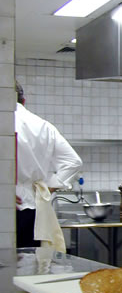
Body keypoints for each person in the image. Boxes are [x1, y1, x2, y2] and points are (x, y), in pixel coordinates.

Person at [15, 80, 83, 250]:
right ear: (24, 100)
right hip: (33, 210)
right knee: (28, 260)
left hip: (7, 208)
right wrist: (46, 188)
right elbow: (73, 162)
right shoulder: (43, 126)